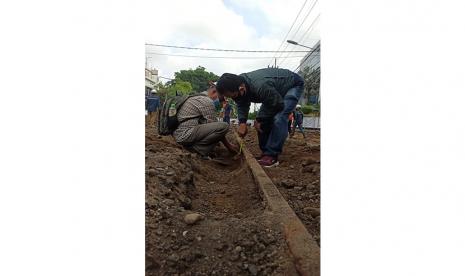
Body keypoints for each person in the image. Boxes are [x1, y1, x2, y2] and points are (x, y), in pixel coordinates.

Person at [216, 68, 304, 167]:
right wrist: (242, 122)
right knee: (261, 123)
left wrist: (260, 119)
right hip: (273, 93)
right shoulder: (237, 84)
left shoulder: (260, 86)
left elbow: (278, 104)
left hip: (292, 85)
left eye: (234, 96)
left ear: (241, 89)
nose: (233, 99)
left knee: (279, 118)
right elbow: (242, 103)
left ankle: (271, 156)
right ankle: (265, 153)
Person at [172, 84, 238, 159]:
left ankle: (197, 147)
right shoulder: (207, 101)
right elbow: (215, 126)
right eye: (221, 99)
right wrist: (229, 146)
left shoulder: (197, 97)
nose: (220, 102)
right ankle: (197, 150)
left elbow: (207, 125)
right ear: (214, 92)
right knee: (224, 126)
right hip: (184, 135)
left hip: (179, 134)